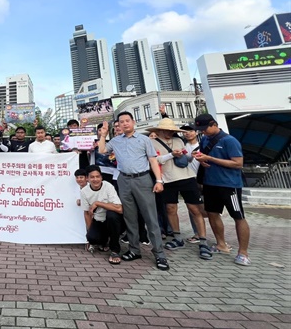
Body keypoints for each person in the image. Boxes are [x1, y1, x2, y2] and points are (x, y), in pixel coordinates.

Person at [97, 112, 169, 271]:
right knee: (130, 216)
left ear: (133, 122)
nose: (124, 124)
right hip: (124, 180)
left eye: (127, 121)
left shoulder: (144, 139)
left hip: (142, 179)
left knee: (150, 217)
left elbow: (152, 160)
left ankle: (159, 253)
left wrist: (158, 180)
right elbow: (102, 150)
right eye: (121, 122)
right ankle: (134, 250)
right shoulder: (115, 141)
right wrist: (103, 135)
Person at [147, 119, 212, 261]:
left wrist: (190, 156)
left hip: (187, 177)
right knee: (171, 208)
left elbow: (185, 159)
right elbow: (155, 160)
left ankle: (203, 241)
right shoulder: (151, 143)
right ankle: (177, 237)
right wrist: (172, 155)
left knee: (195, 209)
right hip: (167, 179)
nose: (169, 132)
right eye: (166, 130)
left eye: (171, 130)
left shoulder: (179, 141)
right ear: (158, 130)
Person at [193, 114, 250, 266]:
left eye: (204, 128)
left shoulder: (229, 141)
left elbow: (238, 163)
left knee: (238, 216)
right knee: (212, 214)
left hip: (229, 184)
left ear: (214, 124)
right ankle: (221, 244)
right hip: (210, 183)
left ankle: (243, 252)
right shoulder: (205, 139)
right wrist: (202, 160)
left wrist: (210, 159)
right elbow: (206, 157)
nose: (203, 132)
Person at [81, 165, 124, 265]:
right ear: (87, 179)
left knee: (112, 214)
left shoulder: (108, 186)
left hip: (114, 221)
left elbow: (119, 209)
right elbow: (87, 213)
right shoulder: (84, 192)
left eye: (98, 176)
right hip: (99, 220)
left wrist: (98, 203)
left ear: (101, 177)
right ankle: (104, 241)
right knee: (92, 237)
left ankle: (115, 250)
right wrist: (90, 231)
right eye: (92, 177)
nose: (95, 179)